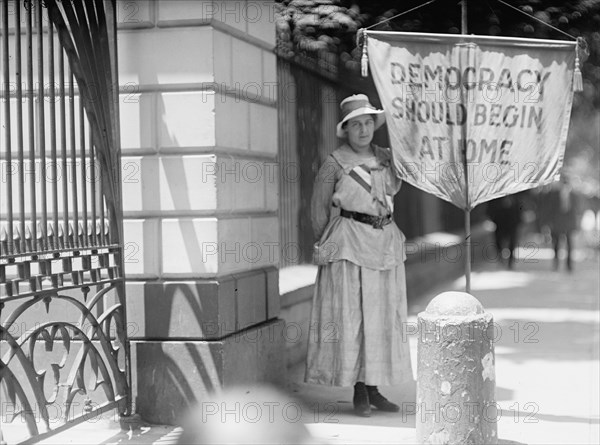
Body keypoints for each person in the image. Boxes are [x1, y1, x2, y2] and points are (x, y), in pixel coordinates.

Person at [305, 94, 413, 417]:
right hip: (350, 245)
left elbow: (401, 180)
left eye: (368, 123)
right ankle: (359, 390)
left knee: (380, 319)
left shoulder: (387, 158)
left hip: (384, 246)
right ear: (346, 129)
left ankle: (375, 387)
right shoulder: (334, 163)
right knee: (353, 319)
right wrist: (330, 241)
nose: (364, 130)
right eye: (357, 125)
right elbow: (317, 212)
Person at [545, 175, 580, 271]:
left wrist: (576, 224)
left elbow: (577, 210)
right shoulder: (554, 195)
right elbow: (550, 210)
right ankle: (556, 264)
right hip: (557, 223)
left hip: (569, 224)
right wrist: (549, 223)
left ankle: (569, 265)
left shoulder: (574, 195)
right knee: (556, 244)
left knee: (569, 245)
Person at [486, 194, 522, 269]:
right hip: (500, 223)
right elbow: (491, 208)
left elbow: (519, 209)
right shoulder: (496, 195)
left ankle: (510, 261)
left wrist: (518, 221)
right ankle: (500, 257)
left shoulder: (514, 195)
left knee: (512, 241)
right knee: (498, 240)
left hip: (512, 223)